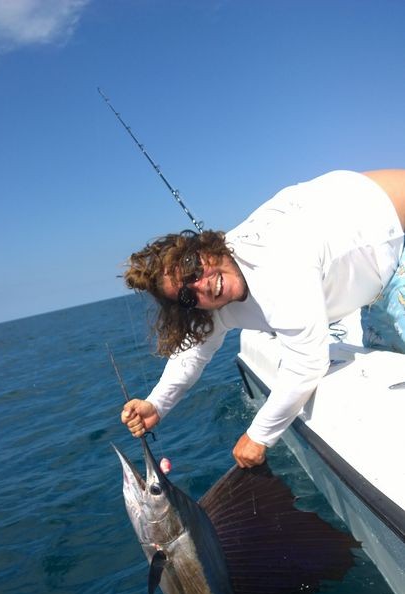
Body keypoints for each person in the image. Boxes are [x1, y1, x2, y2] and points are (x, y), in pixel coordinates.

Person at [120, 169, 405, 468]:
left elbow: (308, 363)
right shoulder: (215, 296)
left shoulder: (274, 264)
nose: (201, 284)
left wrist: (259, 435)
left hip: (392, 231)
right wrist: (156, 404)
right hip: (372, 271)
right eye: (187, 296)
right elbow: (193, 352)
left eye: (193, 268)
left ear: (204, 248)